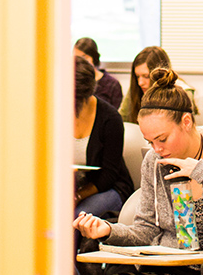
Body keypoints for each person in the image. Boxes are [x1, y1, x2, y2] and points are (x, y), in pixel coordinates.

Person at [73, 67, 203, 275]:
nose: (157, 149)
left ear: (186, 122)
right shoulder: (156, 160)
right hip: (164, 266)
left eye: (162, 139)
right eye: (150, 142)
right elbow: (146, 231)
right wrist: (108, 230)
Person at [73, 57, 134, 258]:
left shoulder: (110, 119)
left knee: (75, 217)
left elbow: (109, 175)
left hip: (110, 188)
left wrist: (78, 196)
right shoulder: (54, 114)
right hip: (74, 188)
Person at [75, 37, 124, 110]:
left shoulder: (112, 84)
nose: (80, 62)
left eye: (84, 58)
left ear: (94, 57)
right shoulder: (72, 82)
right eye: (76, 58)